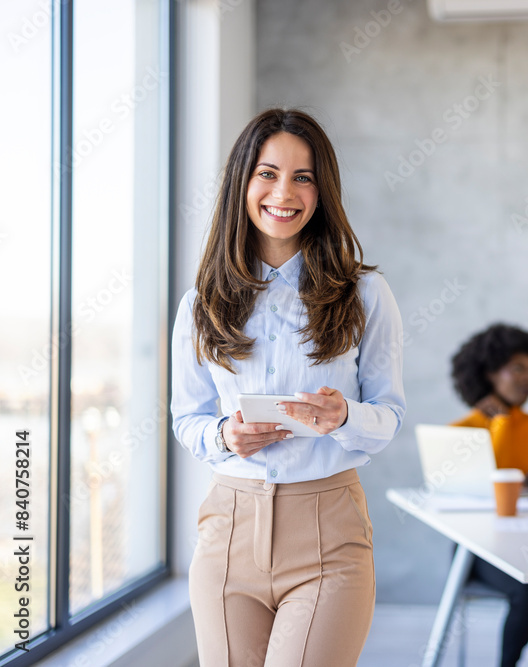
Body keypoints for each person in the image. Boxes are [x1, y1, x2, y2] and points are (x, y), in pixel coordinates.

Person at [171, 108, 405, 667]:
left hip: (329, 535)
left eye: (304, 177)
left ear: (322, 191)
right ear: (242, 183)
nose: (285, 192)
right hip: (228, 530)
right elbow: (187, 419)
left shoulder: (366, 294)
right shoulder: (202, 303)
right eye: (267, 173)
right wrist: (226, 435)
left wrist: (345, 416)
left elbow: (389, 413)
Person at [451, 323, 528, 667]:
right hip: (480, 546)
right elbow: (473, 492)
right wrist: (502, 423)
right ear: (490, 372)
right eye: (518, 368)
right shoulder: (460, 431)